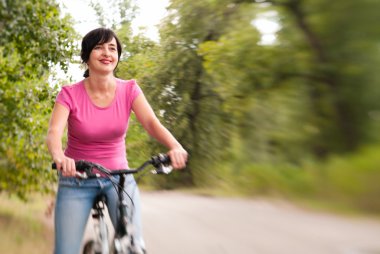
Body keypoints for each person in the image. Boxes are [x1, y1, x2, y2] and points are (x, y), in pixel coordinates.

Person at [46, 27, 188, 254]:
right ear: (86, 57)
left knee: (133, 247)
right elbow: (54, 132)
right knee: (65, 251)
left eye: (112, 48)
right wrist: (60, 157)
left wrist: (175, 146)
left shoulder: (129, 89)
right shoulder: (69, 94)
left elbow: (151, 123)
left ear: (118, 56)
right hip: (77, 179)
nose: (106, 53)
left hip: (119, 179)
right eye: (99, 47)